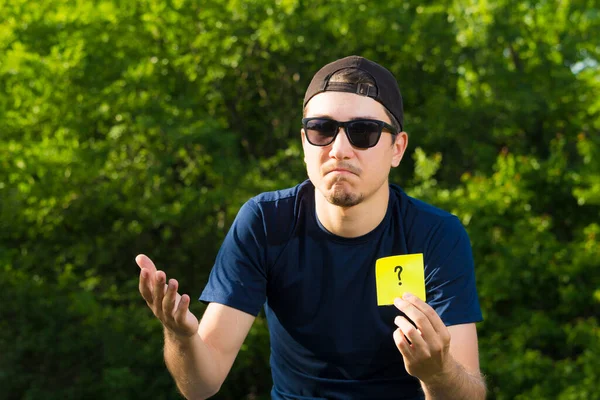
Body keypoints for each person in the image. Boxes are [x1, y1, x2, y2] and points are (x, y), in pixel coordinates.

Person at [136, 55, 486, 399]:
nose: (339, 149)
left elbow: (467, 392)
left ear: (397, 148)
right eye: (321, 129)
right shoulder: (265, 223)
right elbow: (200, 385)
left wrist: (438, 374)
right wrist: (180, 336)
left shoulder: (436, 234)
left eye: (363, 132)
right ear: (304, 143)